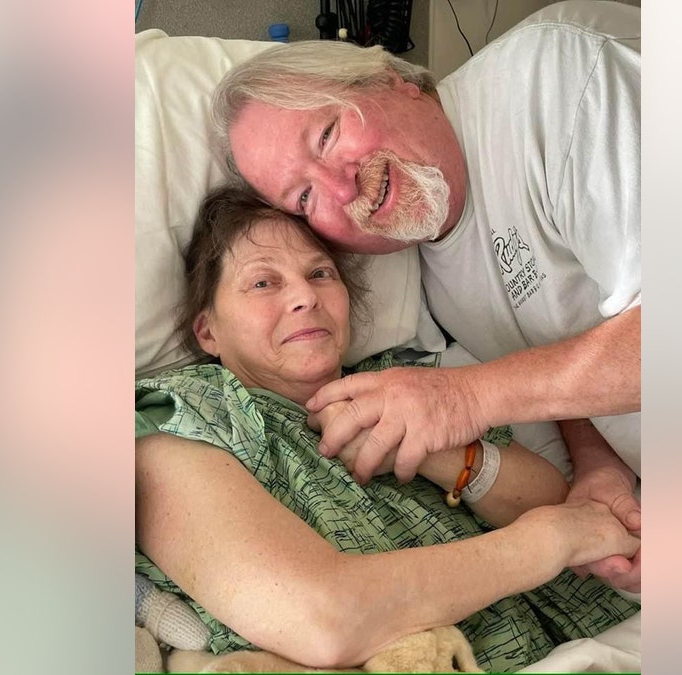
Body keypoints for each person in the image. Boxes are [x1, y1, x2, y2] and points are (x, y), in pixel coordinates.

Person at [211, 1, 643, 591]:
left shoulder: (557, 77)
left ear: (390, 78)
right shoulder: (433, 279)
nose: (340, 187)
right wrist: (601, 465)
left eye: (329, 134)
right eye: (305, 198)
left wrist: (464, 399)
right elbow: (559, 353)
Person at [135, 186, 640, 672]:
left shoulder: (402, 380)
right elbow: (324, 618)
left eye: (320, 273)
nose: (304, 297)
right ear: (208, 330)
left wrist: (425, 450)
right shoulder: (179, 420)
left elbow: (556, 499)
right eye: (264, 282)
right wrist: (547, 542)